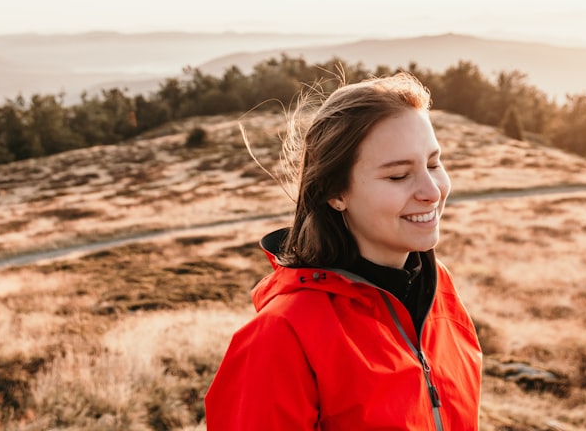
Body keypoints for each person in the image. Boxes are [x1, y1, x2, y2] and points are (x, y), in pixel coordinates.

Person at [205, 71, 482, 430]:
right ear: (336, 193)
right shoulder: (280, 336)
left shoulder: (438, 289)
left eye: (433, 164)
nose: (432, 190)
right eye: (398, 175)